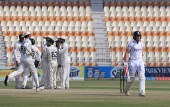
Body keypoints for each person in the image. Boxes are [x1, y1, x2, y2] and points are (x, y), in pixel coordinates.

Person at [123, 31, 145, 96]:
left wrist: (143, 59)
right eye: (137, 36)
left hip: (140, 61)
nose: (138, 37)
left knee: (142, 76)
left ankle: (142, 92)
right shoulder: (131, 44)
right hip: (133, 61)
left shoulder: (141, 43)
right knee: (131, 78)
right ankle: (126, 90)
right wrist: (125, 61)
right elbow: (127, 52)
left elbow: (142, 51)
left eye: (139, 36)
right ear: (134, 37)